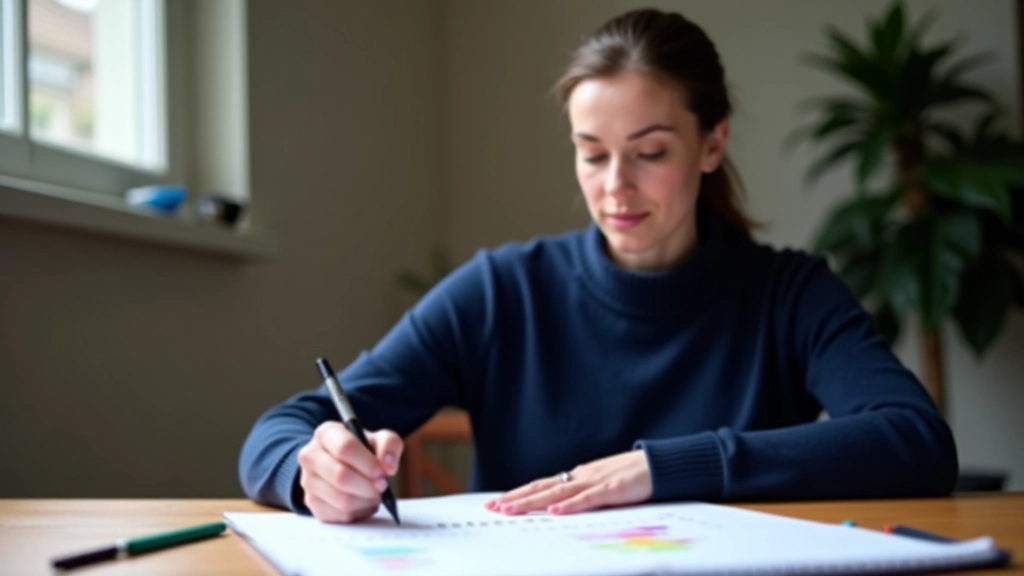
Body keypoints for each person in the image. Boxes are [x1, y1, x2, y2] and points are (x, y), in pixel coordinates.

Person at [239, 8, 957, 524]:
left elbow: (915, 439)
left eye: (649, 153)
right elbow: (280, 430)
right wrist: (316, 473)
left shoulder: (790, 293)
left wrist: (667, 469)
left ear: (712, 145)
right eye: (591, 152)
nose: (615, 185)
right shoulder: (501, 292)